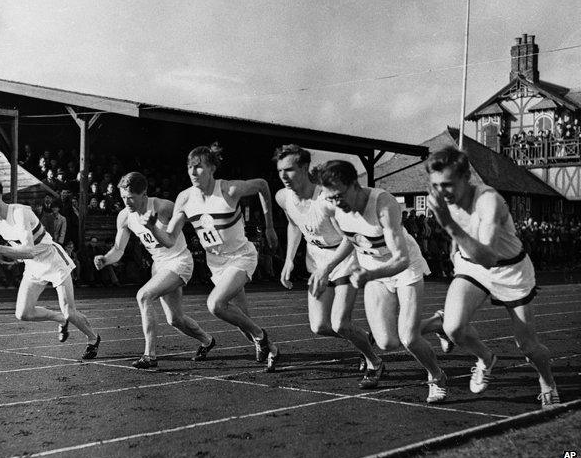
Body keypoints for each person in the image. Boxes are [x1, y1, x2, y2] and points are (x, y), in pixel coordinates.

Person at [424, 146, 559, 408]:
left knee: (528, 347)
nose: (442, 192)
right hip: (471, 265)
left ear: (466, 178)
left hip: (509, 269)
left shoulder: (489, 201)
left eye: (448, 184)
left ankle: (547, 381)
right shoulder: (442, 198)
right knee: (453, 328)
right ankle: (485, 358)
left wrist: (448, 225)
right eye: (436, 185)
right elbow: (465, 241)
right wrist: (454, 250)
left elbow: (488, 257)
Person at [316, 161, 447, 402]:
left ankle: (436, 377)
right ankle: (438, 323)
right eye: (331, 198)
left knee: (409, 338)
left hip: (404, 267)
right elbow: (350, 237)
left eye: (340, 196)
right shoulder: (332, 206)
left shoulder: (383, 205)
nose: (337, 203)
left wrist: (368, 276)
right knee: (387, 342)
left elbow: (401, 259)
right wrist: (327, 267)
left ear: (355, 185)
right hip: (373, 268)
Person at [158, 144, 280, 372]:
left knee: (215, 304)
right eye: (189, 168)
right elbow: (170, 237)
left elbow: (263, 185)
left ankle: (261, 336)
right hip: (217, 263)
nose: (193, 172)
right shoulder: (184, 198)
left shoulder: (229, 190)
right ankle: (271, 348)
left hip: (241, 256)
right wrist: (150, 227)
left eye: (199, 167)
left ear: (212, 168)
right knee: (242, 323)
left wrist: (270, 226)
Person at [273, 145, 381, 387]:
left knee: (340, 323)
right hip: (316, 259)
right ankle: (364, 338)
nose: (283, 176)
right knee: (319, 325)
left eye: (289, 170)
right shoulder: (283, 197)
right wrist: (290, 258)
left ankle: (374, 361)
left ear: (304, 168)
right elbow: (294, 225)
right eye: (280, 170)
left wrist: (328, 267)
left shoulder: (325, 199)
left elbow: (351, 237)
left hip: (343, 258)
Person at [94, 172, 214, 368]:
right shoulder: (124, 216)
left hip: (179, 261)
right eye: (123, 197)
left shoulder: (163, 207)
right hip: (159, 266)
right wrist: (105, 259)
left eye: (131, 197)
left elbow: (194, 221)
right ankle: (207, 340)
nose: (126, 201)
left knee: (144, 296)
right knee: (175, 319)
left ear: (144, 194)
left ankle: (150, 356)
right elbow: (118, 249)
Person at [0, 178, 100, 359]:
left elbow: (29, 251)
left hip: (52, 259)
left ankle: (93, 338)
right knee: (23, 313)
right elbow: (23, 253)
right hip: (33, 265)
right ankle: (59, 318)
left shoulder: (19, 212)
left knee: (69, 310)